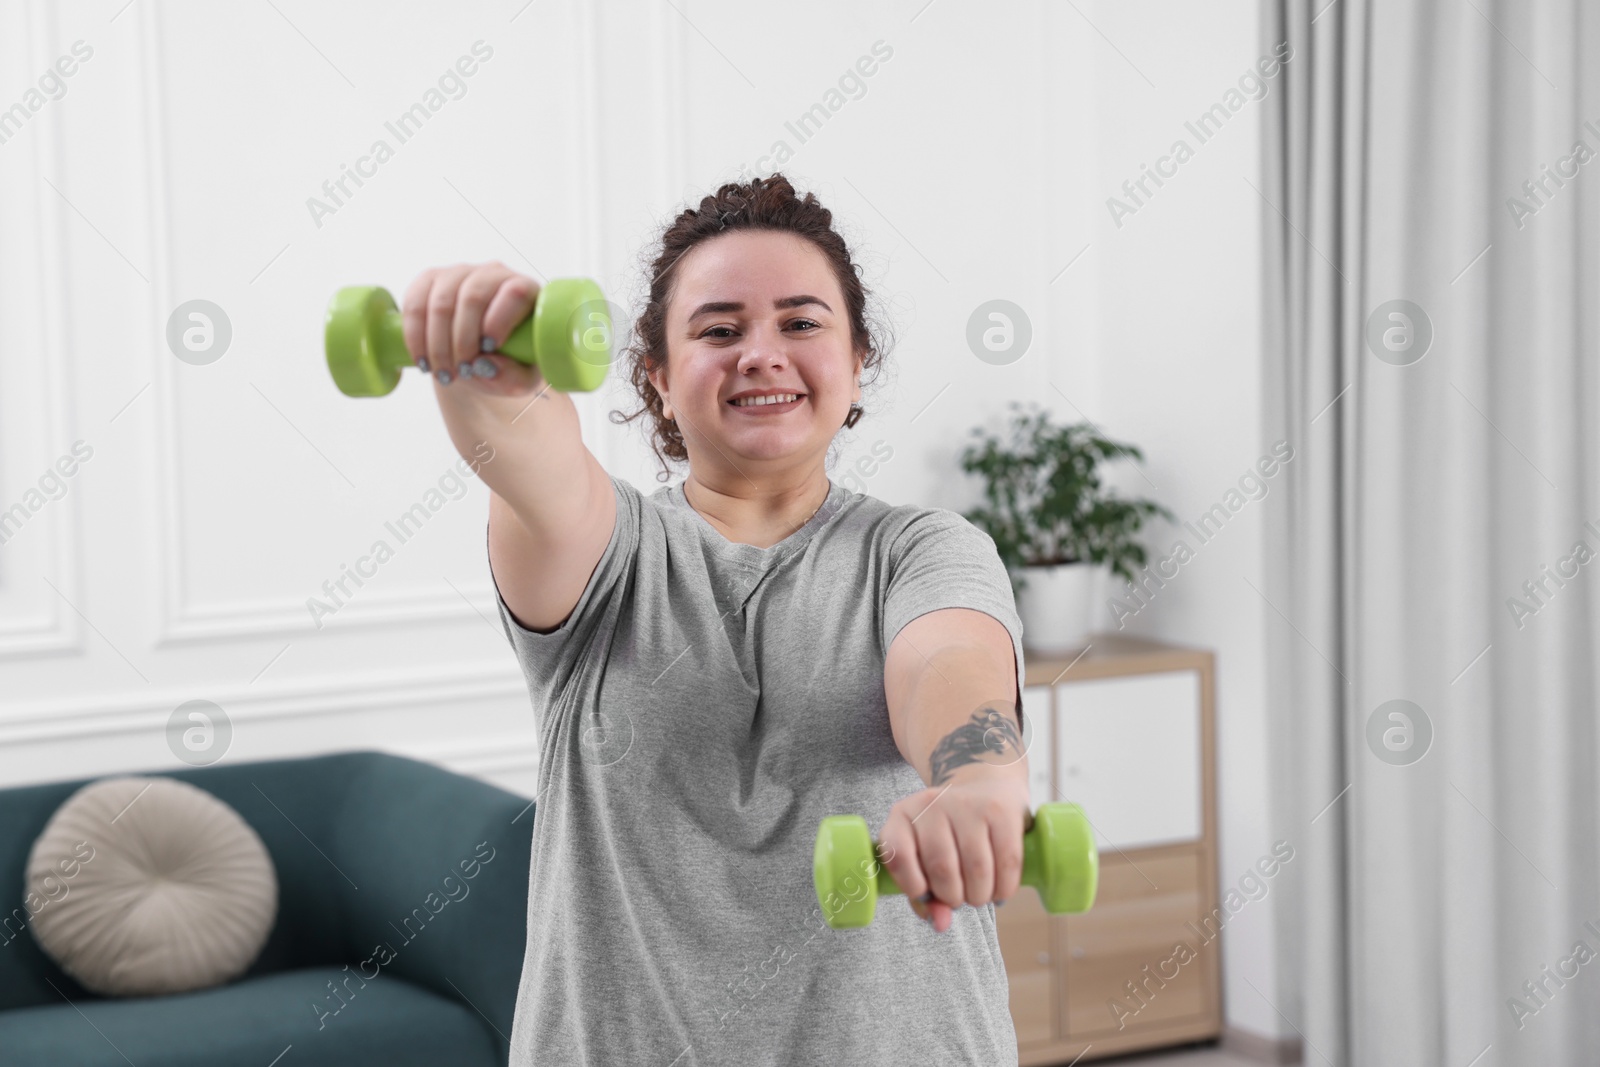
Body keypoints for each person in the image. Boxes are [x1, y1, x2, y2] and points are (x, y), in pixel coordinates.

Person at [403, 173, 1032, 1065]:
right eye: (719, 329)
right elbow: (528, 452)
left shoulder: (924, 549)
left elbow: (946, 663)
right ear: (657, 377)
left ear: (858, 363)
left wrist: (976, 777)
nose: (761, 353)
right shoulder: (608, 554)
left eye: (803, 323)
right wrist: (490, 381)